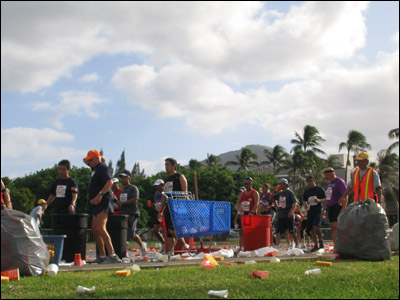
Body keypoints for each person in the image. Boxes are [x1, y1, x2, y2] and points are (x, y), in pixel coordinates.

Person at [84, 149, 121, 264]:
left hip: (103, 200)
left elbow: (109, 182)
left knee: (101, 227)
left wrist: (99, 195)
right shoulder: (96, 169)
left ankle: (112, 255)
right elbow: (86, 162)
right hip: (96, 202)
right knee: (95, 229)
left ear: (96, 158)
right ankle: (102, 256)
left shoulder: (102, 168)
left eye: (91, 160)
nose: (89, 163)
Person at [160, 157, 190, 256]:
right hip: (169, 206)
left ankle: (185, 245)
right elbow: (165, 195)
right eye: (165, 165)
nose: (166, 167)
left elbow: (185, 192)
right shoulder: (167, 180)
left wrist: (184, 205)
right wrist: (161, 209)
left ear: (174, 166)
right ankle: (170, 251)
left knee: (172, 229)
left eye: (167, 164)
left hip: (178, 206)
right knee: (168, 232)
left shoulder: (180, 176)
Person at [116, 170, 147, 257]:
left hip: (132, 213)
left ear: (128, 178)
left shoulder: (133, 188)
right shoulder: (122, 191)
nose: (122, 179)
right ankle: (124, 251)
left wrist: (122, 203)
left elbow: (134, 200)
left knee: (131, 233)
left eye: (123, 177)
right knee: (124, 233)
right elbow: (121, 203)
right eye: (121, 177)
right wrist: (117, 204)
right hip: (124, 214)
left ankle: (142, 245)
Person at [323, 167, 347, 243]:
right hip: (330, 208)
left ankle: (340, 244)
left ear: (332, 173)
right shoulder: (329, 183)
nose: (325, 176)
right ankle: (335, 245)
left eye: (326, 174)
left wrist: (343, 208)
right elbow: (327, 197)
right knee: (333, 227)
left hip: (337, 206)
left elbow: (345, 195)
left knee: (336, 227)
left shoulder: (339, 182)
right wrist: (324, 209)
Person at [235, 177, 260, 253]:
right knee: (242, 231)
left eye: (248, 184)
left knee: (252, 232)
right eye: (245, 184)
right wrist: (239, 208)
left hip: (252, 214)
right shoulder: (243, 193)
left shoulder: (255, 193)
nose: (246, 185)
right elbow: (238, 202)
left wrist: (252, 212)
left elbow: (256, 203)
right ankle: (241, 247)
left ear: (251, 184)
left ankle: (253, 246)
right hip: (244, 214)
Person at [271, 178, 297, 249]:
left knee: (291, 230)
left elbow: (295, 202)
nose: (280, 185)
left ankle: (296, 244)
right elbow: (272, 198)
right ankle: (276, 245)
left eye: (281, 184)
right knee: (279, 231)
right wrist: (274, 191)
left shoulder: (290, 193)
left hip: (288, 212)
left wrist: (292, 211)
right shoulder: (280, 193)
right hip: (281, 214)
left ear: (285, 184)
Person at [302, 175, 326, 252]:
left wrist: (319, 200)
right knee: (310, 228)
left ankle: (320, 239)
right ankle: (316, 245)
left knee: (316, 226)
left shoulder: (320, 189)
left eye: (311, 181)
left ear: (314, 181)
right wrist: (305, 204)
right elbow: (303, 199)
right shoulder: (307, 191)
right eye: (308, 181)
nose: (309, 183)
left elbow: (326, 199)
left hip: (318, 210)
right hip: (310, 211)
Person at [149, 179, 166, 253]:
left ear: (162, 185)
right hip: (158, 213)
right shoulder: (156, 193)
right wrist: (152, 205)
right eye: (155, 186)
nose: (156, 188)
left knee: (167, 230)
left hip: (165, 213)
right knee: (155, 230)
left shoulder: (165, 193)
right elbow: (155, 202)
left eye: (157, 186)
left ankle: (169, 246)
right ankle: (164, 243)